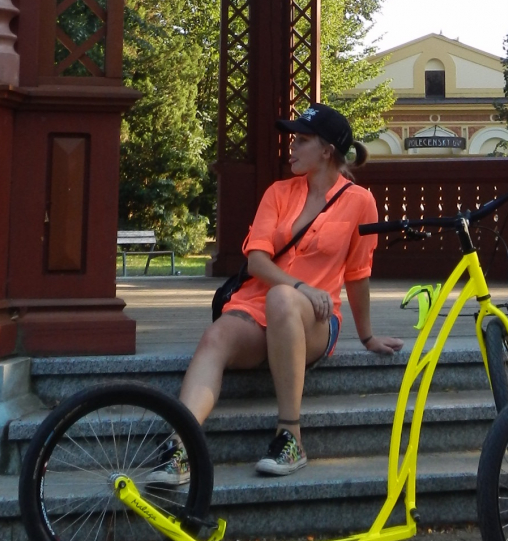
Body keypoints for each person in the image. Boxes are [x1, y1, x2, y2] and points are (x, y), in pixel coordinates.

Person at [150, 103, 403, 482]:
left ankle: (290, 437)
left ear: (326, 151)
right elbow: (257, 262)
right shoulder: (278, 192)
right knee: (217, 334)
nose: (292, 147)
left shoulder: (360, 202)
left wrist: (366, 336)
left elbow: (357, 273)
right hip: (255, 309)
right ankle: (181, 446)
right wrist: (299, 284)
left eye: (301, 140)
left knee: (282, 299)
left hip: (315, 320)